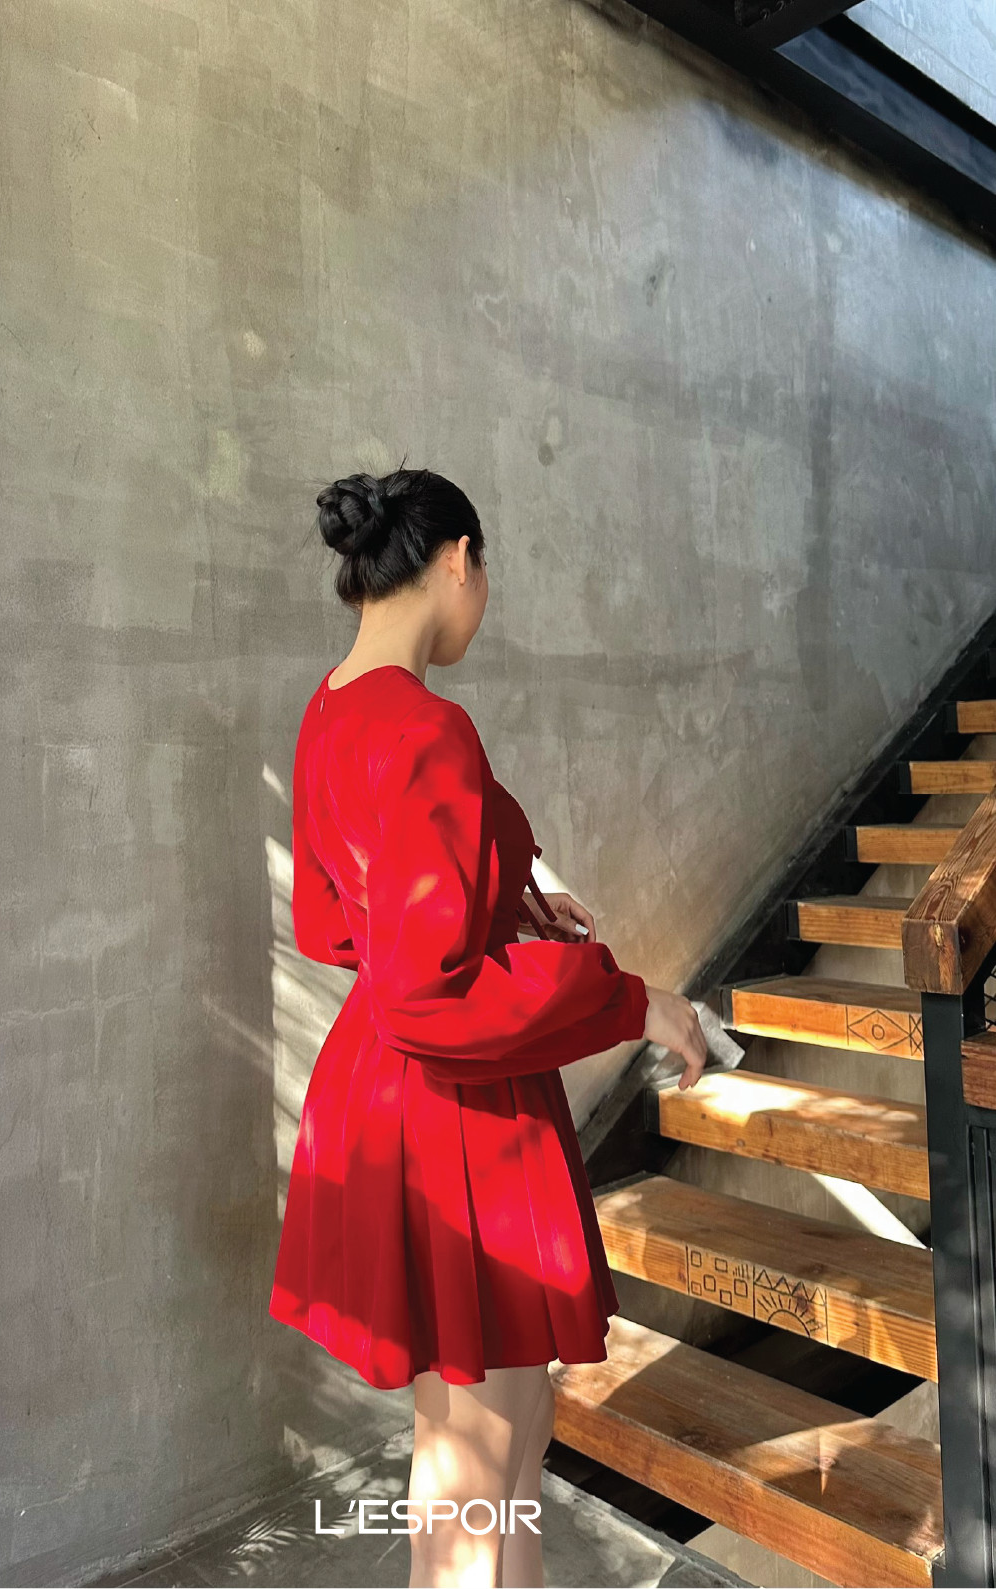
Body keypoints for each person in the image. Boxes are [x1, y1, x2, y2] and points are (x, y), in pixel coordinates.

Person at [270, 463, 708, 1588]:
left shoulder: (328, 711)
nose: (484, 602)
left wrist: (499, 900)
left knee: (496, 1436)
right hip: (454, 1112)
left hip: (392, 1088)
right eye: (487, 575)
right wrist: (632, 999)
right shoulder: (430, 728)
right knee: (484, 1453)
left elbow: (332, 922)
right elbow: (429, 991)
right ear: (459, 558)